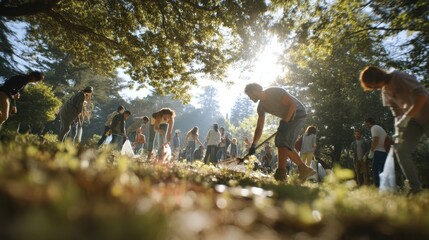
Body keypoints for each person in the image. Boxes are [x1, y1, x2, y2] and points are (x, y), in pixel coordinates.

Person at [360, 66, 429, 195]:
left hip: (426, 111)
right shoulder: (385, 91)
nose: (375, 89)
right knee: (401, 150)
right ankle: (416, 188)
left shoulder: (399, 77)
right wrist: (399, 129)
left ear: (378, 78)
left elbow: (423, 96)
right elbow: (396, 112)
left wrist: (407, 117)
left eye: (374, 86)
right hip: (412, 120)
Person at [244, 83, 315, 182]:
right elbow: (259, 127)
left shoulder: (274, 92)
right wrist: (253, 145)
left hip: (298, 114)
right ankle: (303, 169)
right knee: (282, 142)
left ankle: (281, 174)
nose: (250, 98)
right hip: (287, 118)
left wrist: (285, 122)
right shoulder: (261, 107)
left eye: (250, 95)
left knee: (281, 140)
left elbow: (292, 105)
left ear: (254, 91)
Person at [364, 117, 388, 188]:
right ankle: (384, 186)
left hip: (379, 151)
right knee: (382, 169)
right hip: (384, 151)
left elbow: (375, 140)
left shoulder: (374, 128)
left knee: (375, 169)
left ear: (369, 123)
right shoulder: (379, 128)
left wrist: (371, 150)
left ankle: (377, 186)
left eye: (366, 124)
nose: (366, 126)